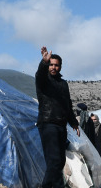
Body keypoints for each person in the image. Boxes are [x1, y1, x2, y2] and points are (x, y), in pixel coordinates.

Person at [35, 46, 80, 188]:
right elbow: (39, 75)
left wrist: (73, 122)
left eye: (56, 65)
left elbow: (67, 104)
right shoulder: (43, 81)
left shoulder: (63, 84)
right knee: (54, 160)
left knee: (59, 162)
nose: (53, 67)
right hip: (48, 123)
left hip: (61, 125)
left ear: (60, 67)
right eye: (51, 64)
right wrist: (43, 62)